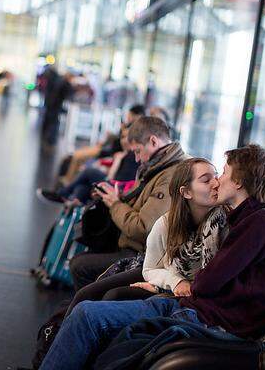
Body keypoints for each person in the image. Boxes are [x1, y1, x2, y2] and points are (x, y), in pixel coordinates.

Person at [40, 144, 265, 370]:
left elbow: (206, 282)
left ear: (238, 181)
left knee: (89, 315)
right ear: (186, 193)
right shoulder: (256, 219)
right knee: (87, 308)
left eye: (223, 172)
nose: (218, 180)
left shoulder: (257, 223)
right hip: (195, 309)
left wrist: (178, 283)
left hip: (205, 318)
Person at [64, 157, 228, 315]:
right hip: (162, 272)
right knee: (87, 294)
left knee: (113, 296)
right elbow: (150, 269)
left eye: (216, 176)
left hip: (176, 284)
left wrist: (165, 285)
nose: (216, 183)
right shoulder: (166, 223)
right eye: (206, 180)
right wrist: (173, 282)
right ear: (186, 193)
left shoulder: (223, 223)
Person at [69, 116, 187, 290]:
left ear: (153, 141)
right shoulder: (156, 167)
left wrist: (115, 204)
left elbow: (143, 228)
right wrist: (117, 195)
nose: (137, 159)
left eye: (138, 151)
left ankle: (91, 309)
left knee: (80, 266)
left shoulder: (170, 175)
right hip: (131, 246)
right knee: (84, 251)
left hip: (141, 255)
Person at [41, 69, 73, 148]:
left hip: (51, 104)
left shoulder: (58, 81)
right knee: (54, 123)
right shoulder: (64, 83)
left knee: (50, 121)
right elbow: (68, 94)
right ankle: (51, 140)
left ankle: (47, 138)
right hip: (55, 105)